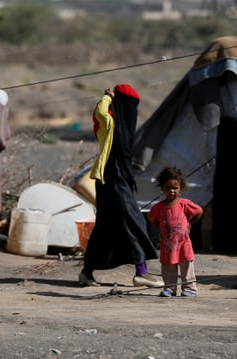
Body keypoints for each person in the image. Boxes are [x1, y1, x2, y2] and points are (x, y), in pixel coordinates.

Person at [78, 84, 164, 288]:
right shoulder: (110, 123)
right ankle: (141, 272)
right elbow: (100, 112)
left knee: (105, 226)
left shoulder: (124, 126)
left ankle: (87, 272)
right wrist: (107, 97)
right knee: (133, 220)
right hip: (112, 176)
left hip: (114, 178)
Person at [147, 167, 203, 297]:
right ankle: (170, 288)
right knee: (168, 267)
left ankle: (189, 288)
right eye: (168, 188)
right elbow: (151, 218)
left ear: (181, 188)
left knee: (186, 266)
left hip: (183, 243)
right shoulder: (159, 207)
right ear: (162, 188)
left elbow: (198, 211)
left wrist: (189, 224)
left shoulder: (184, 204)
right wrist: (160, 227)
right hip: (168, 244)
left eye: (175, 188)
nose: (172, 191)